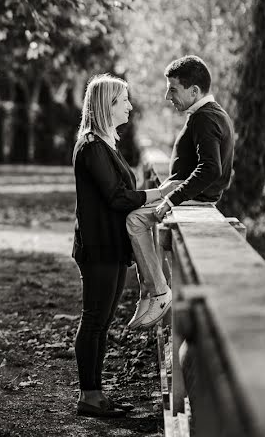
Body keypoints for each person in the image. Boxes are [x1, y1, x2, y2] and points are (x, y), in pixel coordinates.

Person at [71, 74, 174, 418]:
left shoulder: (107, 144)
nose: (130, 106)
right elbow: (116, 197)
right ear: (106, 105)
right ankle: (89, 396)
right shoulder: (91, 147)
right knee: (94, 320)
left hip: (112, 247)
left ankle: (96, 393)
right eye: (123, 101)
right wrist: (160, 193)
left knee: (102, 320)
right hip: (98, 248)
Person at [125, 55, 235, 330]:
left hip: (194, 201)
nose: (167, 95)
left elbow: (211, 169)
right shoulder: (212, 114)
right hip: (193, 197)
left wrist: (172, 198)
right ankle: (150, 292)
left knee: (135, 219)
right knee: (138, 218)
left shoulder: (204, 119)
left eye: (173, 89)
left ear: (194, 91)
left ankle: (158, 292)